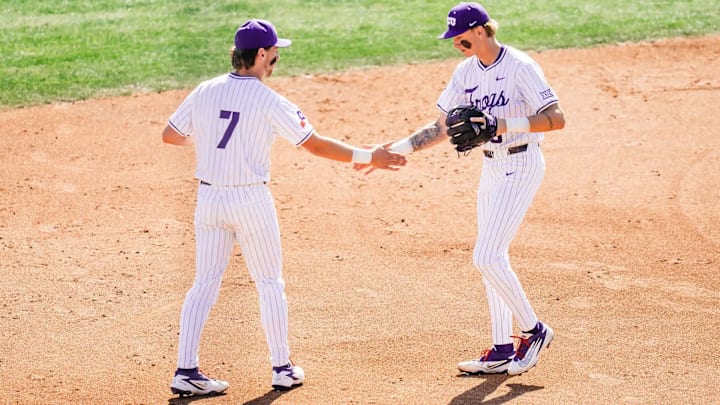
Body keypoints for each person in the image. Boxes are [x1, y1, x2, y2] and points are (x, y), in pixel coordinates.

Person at [162, 18, 406, 397]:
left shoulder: (205, 90)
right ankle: (282, 368)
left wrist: (212, 144)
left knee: (204, 284)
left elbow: (171, 135)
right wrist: (368, 154)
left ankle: (185, 370)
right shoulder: (269, 100)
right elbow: (315, 144)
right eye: (275, 52)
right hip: (250, 200)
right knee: (269, 282)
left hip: (209, 199)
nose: (277, 58)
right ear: (261, 55)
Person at [359, 2, 565, 375]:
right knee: (493, 258)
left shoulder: (520, 66)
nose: (456, 43)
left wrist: (500, 124)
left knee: (486, 256)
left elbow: (556, 119)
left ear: (483, 30)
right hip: (491, 167)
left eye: (462, 36)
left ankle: (534, 331)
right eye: (452, 38)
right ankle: (502, 347)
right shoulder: (465, 72)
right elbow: (441, 127)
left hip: (521, 163)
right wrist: (394, 150)